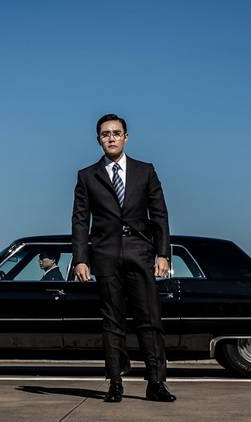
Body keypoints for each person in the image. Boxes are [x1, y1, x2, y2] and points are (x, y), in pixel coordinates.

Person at [71, 113, 175, 403]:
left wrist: (163, 253)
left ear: (126, 137)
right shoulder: (87, 176)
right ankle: (115, 383)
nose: (111, 138)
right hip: (105, 255)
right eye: (105, 134)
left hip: (140, 253)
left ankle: (156, 383)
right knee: (112, 321)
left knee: (150, 319)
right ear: (98, 140)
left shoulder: (145, 171)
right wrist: (81, 258)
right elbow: (80, 220)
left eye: (116, 133)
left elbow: (160, 215)